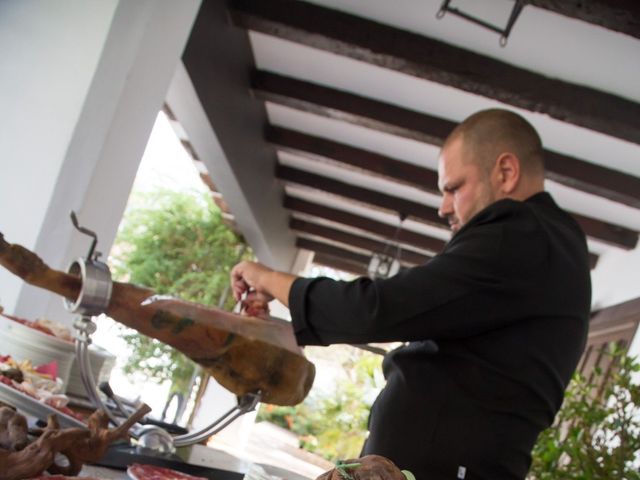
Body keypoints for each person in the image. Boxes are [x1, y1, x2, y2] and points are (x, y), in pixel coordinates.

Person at [230, 109, 592, 480]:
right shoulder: (545, 247)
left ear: (505, 172)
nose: (444, 207)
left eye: (454, 188)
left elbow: (374, 310)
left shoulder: (522, 236)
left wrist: (269, 277)